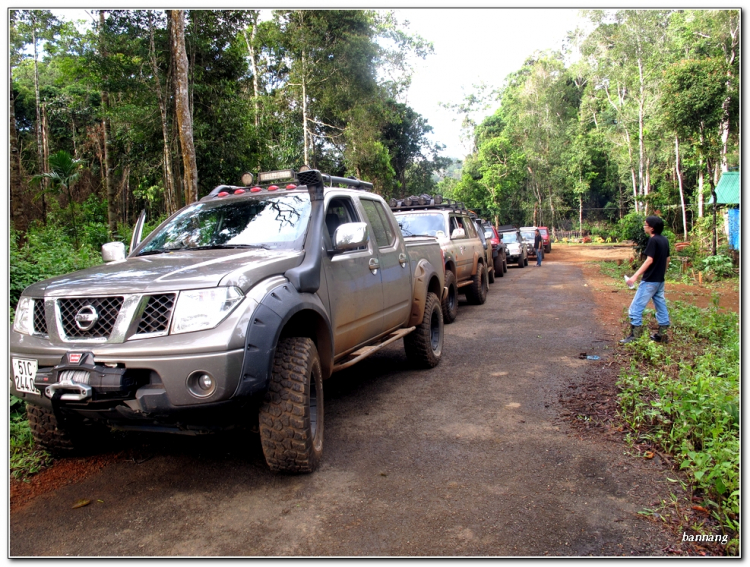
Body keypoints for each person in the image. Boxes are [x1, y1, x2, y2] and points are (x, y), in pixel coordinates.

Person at [620, 215, 671, 344]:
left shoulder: (653, 241)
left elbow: (649, 260)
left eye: (645, 224)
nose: (644, 226)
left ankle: (635, 335)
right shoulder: (664, 240)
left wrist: (634, 276)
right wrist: (662, 274)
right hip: (660, 280)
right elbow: (667, 259)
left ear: (652, 228)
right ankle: (662, 335)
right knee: (661, 305)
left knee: (635, 308)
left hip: (650, 281)